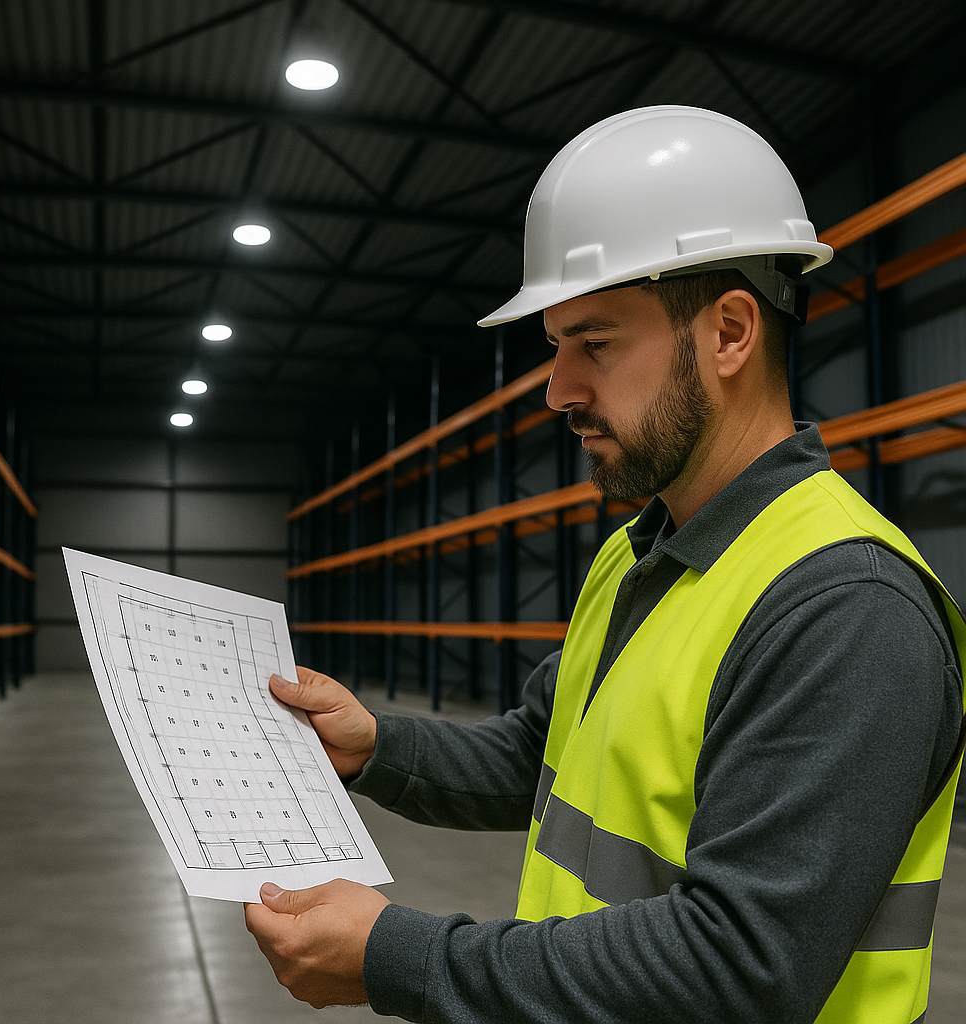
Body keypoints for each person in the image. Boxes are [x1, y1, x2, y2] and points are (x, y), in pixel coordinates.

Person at [244, 106, 966, 1023]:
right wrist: (373, 746)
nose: (558, 390)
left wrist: (398, 955)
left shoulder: (844, 608)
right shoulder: (642, 554)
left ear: (732, 332)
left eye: (595, 344)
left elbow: (741, 966)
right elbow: (538, 758)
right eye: (556, 347)